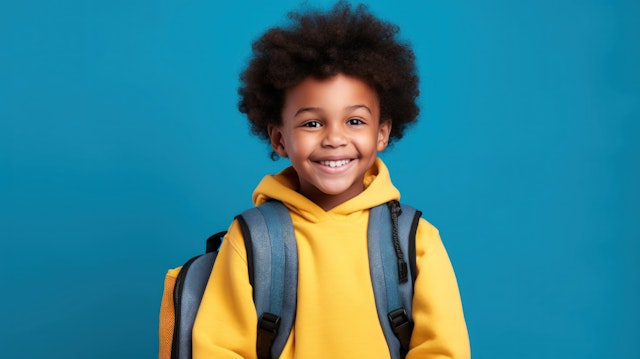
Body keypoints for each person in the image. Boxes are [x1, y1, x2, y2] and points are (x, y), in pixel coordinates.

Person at [192, 2, 470, 358]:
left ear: (382, 133)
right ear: (279, 139)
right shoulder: (250, 240)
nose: (334, 138)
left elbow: (443, 350)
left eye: (355, 121)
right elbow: (218, 349)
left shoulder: (416, 240)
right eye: (312, 123)